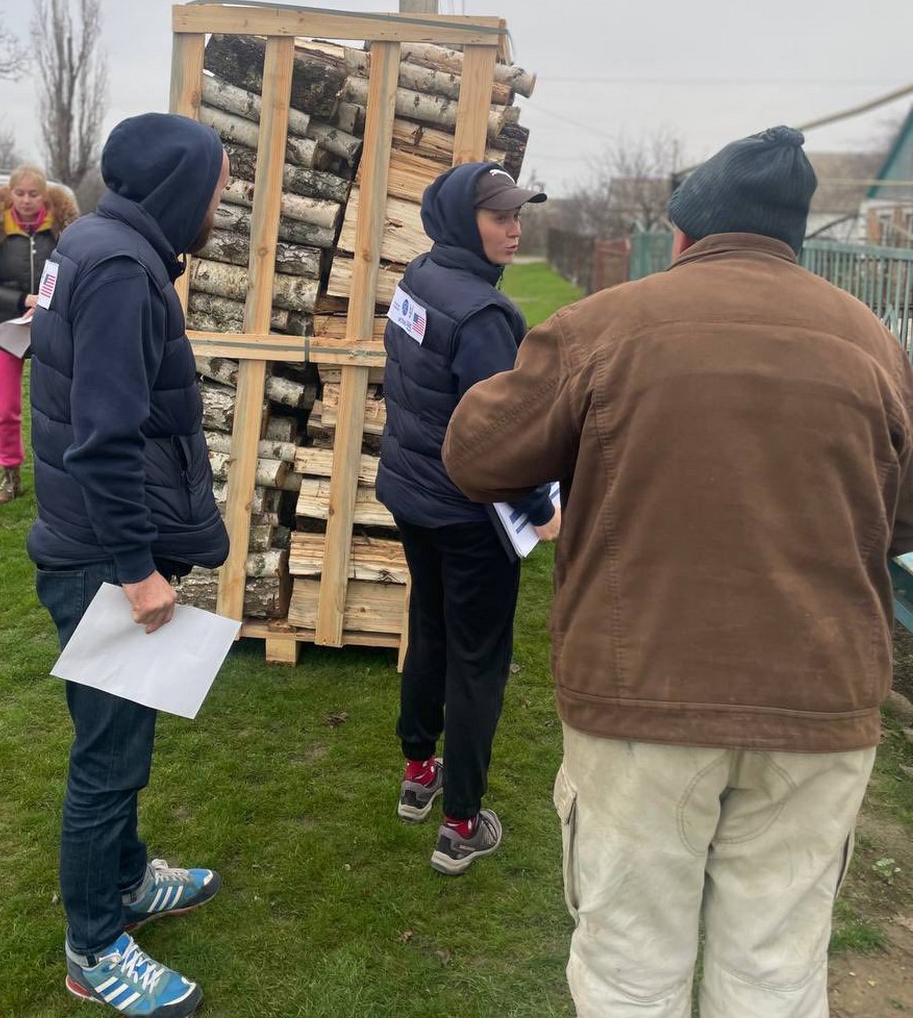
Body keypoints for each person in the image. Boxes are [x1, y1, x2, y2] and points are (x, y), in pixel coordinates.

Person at [443, 126, 913, 1016]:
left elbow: (474, 453)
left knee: (630, 972)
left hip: (642, 700)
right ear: (793, 238)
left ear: (686, 234)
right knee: (774, 977)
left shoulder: (605, 325)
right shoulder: (875, 345)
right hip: (819, 704)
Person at [27, 113, 231, 1016]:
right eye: (218, 190)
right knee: (107, 758)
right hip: (104, 562)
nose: (222, 206)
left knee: (124, 739)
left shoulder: (101, 244)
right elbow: (103, 443)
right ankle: (94, 944)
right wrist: (139, 569)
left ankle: (126, 879)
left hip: (101, 551)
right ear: (181, 190)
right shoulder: (119, 269)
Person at [376, 161, 560, 876]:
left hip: (414, 495)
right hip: (465, 510)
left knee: (430, 626)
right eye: (500, 217)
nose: (515, 228)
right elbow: (499, 435)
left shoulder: (419, 275)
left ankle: (419, 769)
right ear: (464, 221)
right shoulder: (485, 316)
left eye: (519, 214)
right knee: (477, 658)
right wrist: (542, 508)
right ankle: (460, 821)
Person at [0, 165, 78, 506]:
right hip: (3, 330)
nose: (27, 201)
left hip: (52, 326)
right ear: (9, 194)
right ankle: (10, 476)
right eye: (20, 193)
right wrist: (22, 300)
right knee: (3, 409)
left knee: (65, 405)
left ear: (45, 196)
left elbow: (76, 274)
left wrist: (49, 304)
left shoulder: (65, 231)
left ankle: (69, 475)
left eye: (34, 194)